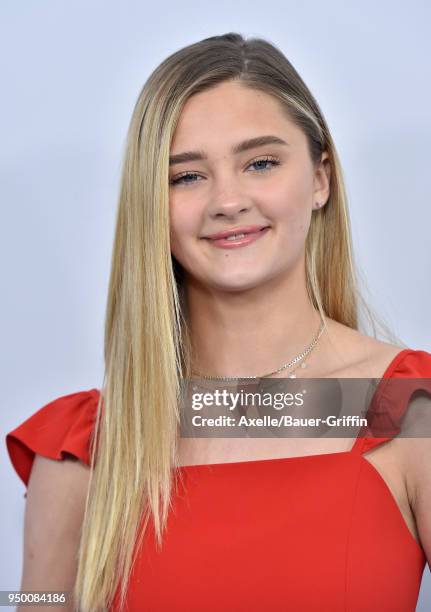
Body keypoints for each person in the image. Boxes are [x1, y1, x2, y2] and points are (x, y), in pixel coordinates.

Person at [5, 32, 431, 612]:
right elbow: (37, 603)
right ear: (150, 202)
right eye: (186, 176)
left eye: (260, 163)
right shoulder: (83, 448)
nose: (227, 200)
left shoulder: (406, 408)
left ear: (320, 179)